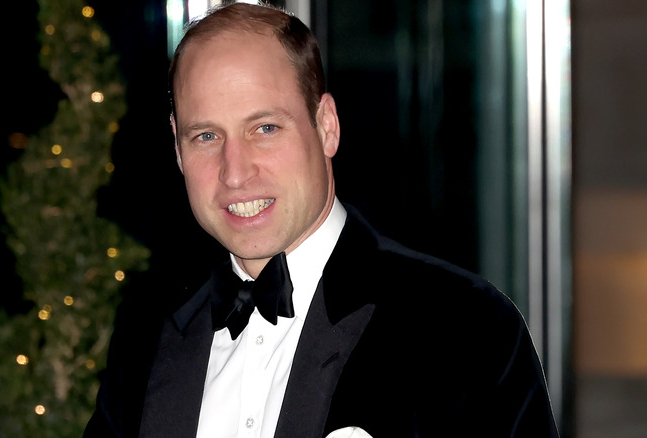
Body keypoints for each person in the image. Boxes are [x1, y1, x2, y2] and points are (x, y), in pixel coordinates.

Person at [84, 2, 559, 437]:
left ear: (326, 125)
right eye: (206, 136)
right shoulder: (146, 335)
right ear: (177, 149)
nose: (235, 172)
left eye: (265, 128)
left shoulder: (464, 329)